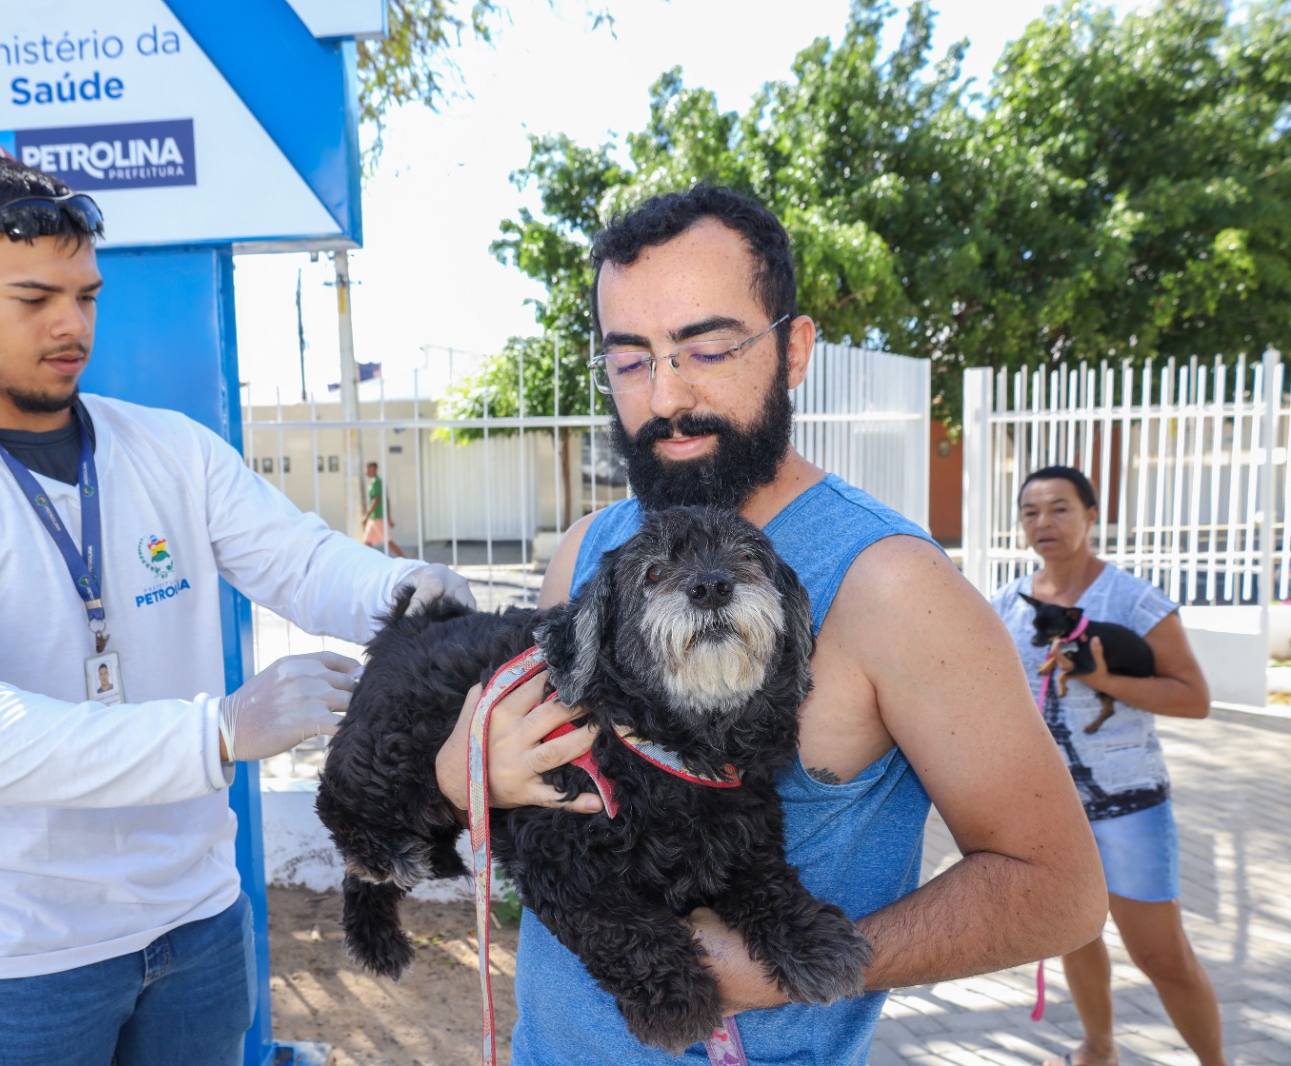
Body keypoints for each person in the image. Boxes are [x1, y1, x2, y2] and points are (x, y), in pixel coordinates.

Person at [0, 157, 473, 1066]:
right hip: (19, 961)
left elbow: (304, 560)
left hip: (197, 922)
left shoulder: (171, 451)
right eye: (34, 298)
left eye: (86, 295)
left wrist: (409, 595)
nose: (71, 324)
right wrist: (221, 732)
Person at [433, 184, 1107, 1064]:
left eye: (706, 347)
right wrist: (462, 776)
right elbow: (537, 812)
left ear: (794, 349)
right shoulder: (587, 553)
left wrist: (772, 969)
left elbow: (1058, 891)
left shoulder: (891, 587)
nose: (666, 393)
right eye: (630, 360)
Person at [991, 466, 1225, 1066]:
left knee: (1162, 957)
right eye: (1031, 512)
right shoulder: (1008, 607)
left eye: (1060, 509)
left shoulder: (1133, 600)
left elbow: (1194, 698)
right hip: (1049, 808)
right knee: (1076, 932)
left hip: (1129, 803)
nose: (1044, 523)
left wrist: (1103, 680)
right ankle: (1097, 1050)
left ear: (1092, 517)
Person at [361, 460, 404, 556]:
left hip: (377, 517)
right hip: (373, 518)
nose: (365, 471)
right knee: (366, 543)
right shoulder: (373, 481)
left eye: (367, 469)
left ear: (373, 469)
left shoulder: (377, 481)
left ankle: (405, 559)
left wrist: (366, 515)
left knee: (387, 541)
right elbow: (386, 500)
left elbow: (376, 500)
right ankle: (366, 561)